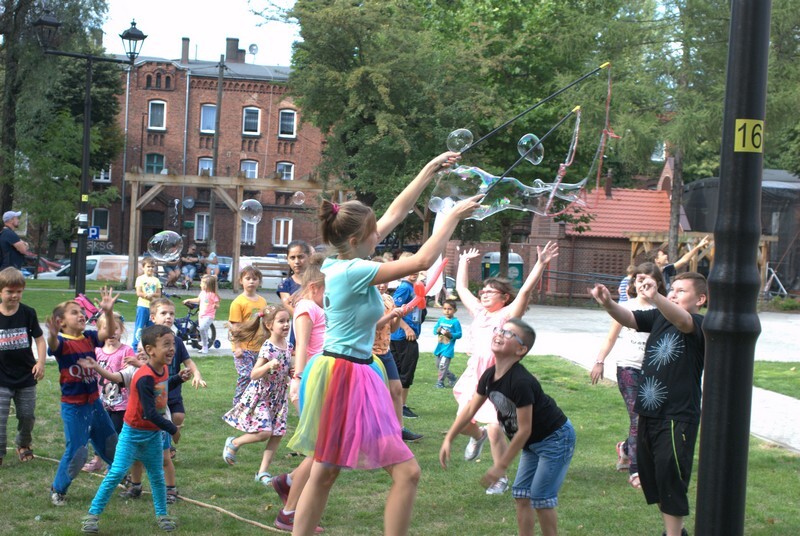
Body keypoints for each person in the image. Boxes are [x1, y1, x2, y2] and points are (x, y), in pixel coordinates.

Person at [286, 150, 481, 535]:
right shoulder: (354, 271)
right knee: (396, 472)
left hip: (352, 370)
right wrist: (452, 217)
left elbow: (395, 211)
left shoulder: (342, 260)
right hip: (345, 373)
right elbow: (423, 260)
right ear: (359, 239)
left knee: (326, 471)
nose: (383, 233)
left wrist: (429, 168)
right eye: (376, 232)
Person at [590, 272, 708, 536]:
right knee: (657, 476)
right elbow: (630, 318)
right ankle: (674, 531)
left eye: (681, 291)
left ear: (700, 299)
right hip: (648, 411)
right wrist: (608, 303)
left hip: (677, 414)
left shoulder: (700, 323)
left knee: (671, 475)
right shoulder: (658, 318)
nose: (674, 294)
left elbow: (683, 320)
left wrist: (656, 296)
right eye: (673, 289)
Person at [440, 318, 576, 536]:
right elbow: (469, 410)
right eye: (500, 330)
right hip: (533, 443)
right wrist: (449, 438)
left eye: (508, 333)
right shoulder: (489, 375)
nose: (500, 334)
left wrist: (500, 466)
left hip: (555, 439)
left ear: (521, 349)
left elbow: (524, 429)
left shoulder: (521, 382)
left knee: (541, 498)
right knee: (521, 495)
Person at [453, 243, 558, 495]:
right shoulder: (479, 313)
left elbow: (524, 292)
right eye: (484, 291)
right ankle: (475, 436)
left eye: (491, 292)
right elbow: (461, 288)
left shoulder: (507, 316)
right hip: (473, 375)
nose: (484, 294)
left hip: (498, 378)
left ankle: (499, 478)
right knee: (462, 422)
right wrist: (464, 263)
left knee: (494, 430)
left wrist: (540, 264)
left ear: (504, 298)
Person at [79, 324, 187, 534]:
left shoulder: (162, 369)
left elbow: (162, 388)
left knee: (156, 476)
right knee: (117, 472)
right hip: (132, 434)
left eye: (172, 343)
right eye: (166, 344)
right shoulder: (143, 376)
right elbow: (150, 413)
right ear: (150, 350)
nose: (172, 348)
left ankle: (162, 515)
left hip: (153, 436)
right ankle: (92, 516)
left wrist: (177, 379)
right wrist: (173, 428)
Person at [591, 262, 666, 487]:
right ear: (633, 282)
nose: (642, 283)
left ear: (658, 283)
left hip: (653, 370)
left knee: (650, 418)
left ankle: (624, 448)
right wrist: (599, 361)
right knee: (638, 417)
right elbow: (610, 338)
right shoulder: (626, 307)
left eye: (647, 279)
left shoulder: (664, 308)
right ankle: (636, 469)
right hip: (628, 368)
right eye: (639, 279)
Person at [47, 287, 119, 506]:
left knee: (111, 443)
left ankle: (123, 476)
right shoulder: (62, 342)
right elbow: (53, 346)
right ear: (61, 322)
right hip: (74, 407)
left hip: (94, 404)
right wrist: (51, 334)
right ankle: (58, 489)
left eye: (81, 311)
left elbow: (108, 333)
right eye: (74, 312)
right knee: (78, 452)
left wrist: (107, 312)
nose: (81, 315)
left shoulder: (88, 337)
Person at [271, 257, 327, 532]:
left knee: (321, 449)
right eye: (326, 290)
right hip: (309, 381)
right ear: (315, 287)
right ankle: (288, 512)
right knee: (320, 450)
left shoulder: (314, 306)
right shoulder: (305, 308)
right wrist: (298, 379)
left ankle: (288, 482)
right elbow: (301, 346)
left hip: (321, 380)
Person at [223, 304, 292, 486]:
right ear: (269, 325)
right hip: (263, 394)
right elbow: (254, 373)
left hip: (279, 396)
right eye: (281, 321)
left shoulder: (288, 345)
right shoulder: (268, 347)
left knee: (277, 434)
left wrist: (290, 373)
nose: (286, 325)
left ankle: (262, 472)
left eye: (288, 321)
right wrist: (269, 365)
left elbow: (284, 368)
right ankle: (235, 442)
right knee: (264, 432)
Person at [0, 267, 46, 466]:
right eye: (10, 291)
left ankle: (23, 443)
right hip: (1, 376)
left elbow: (40, 339)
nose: (15, 295)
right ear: (0, 291)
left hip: (26, 376)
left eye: (19, 291)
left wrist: (41, 362)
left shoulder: (28, 313)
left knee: (27, 415)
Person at [82, 313, 136, 474]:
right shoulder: (97, 351)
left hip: (121, 402)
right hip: (100, 401)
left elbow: (131, 373)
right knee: (98, 431)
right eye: (106, 329)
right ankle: (97, 460)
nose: (112, 333)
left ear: (121, 330)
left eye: (115, 328)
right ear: (100, 331)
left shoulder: (126, 351)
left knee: (115, 433)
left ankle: (114, 463)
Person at [228, 265, 267, 406]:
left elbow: (265, 324)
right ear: (241, 281)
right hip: (243, 348)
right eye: (248, 278)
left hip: (258, 347)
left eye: (255, 279)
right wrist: (237, 347)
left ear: (259, 282)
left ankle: (251, 404)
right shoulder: (238, 303)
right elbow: (235, 327)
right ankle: (238, 405)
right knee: (245, 376)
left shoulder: (262, 301)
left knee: (257, 376)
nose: (251, 281)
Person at [390, 271, 424, 419]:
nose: (414, 275)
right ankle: (401, 406)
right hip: (402, 337)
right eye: (410, 272)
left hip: (402, 336)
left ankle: (395, 404)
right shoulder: (405, 287)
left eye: (416, 273)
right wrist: (406, 328)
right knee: (405, 372)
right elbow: (394, 310)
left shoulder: (414, 288)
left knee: (399, 372)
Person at [277, 240, 313, 349]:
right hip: (299, 331)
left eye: (300, 257)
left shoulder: (318, 282)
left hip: (319, 331)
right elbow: (290, 308)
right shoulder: (285, 285)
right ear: (287, 260)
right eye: (292, 258)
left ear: (309, 257)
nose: (297, 261)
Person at [182, 274, 220, 354]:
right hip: (201, 315)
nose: (200, 285)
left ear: (208, 285)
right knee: (204, 332)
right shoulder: (202, 293)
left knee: (202, 328)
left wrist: (215, 305)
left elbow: (217, 304)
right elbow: (198, 299)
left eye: (202, 283)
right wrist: (189, 300)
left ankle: (205, 346)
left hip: (209, 316)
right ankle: (204, 346)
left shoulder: (213, 295)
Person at [133, 257, 162, 351]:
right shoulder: (140, 279)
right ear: (143, 268)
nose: (150, 269)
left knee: (151, 327)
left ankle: (149, 346)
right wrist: (146, 296)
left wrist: (153, 295)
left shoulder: (156, 280)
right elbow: (138, 292)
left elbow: (159, 294)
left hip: (152, 308)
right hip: (142, 306)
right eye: (148, 266)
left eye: (152, 267)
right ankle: (135, 346)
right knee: (140, 327)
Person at [432, 299, 462, 389]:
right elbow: (435, 330)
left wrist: (451, 334)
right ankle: (452, 377)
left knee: (442, 365)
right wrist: (437, 330)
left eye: (450, 309)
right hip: (440, 347)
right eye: (445, 308)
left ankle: (440, 382)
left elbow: (459, 334)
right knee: (438, 365)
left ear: (455, 310)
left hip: (448, 348)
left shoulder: (455, 322)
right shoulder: (441, 320)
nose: (447, 311)